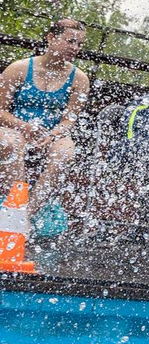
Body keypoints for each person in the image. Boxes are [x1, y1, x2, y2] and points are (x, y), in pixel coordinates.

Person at [0, 18, 90, 234]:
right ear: (51, 38)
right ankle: (16, 202)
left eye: (79, 44)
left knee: (66, 152)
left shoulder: (79, 79)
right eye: (70, 41)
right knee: (12, 141)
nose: (75, 48)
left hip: (52, 133)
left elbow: (69, 120)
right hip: (15, 128)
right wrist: (24, 127)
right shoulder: (19, 69)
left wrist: (54, 133)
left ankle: (25, 215)